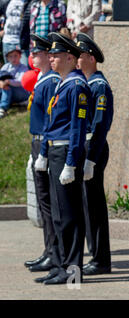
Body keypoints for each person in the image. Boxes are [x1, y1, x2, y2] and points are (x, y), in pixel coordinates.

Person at [33, 32, 91, 285]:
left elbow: (77, 128)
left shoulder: (77, 86)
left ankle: (72, 271)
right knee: (58, 215)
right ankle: (59, 265)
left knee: (69, 216)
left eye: (56, 55)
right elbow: (50, 123)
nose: (51, 58)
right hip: (55, 152)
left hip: (67, 153)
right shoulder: (61, 83)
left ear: (70, 57)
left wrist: (70, 162)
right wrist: (44, 153)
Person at [76, 32, 114, 276]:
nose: (76, 60)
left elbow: (100, 125)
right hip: (87, 146)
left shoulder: (99, 86)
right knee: (88, 205)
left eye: (79, 55)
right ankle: (96, 255)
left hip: (94, 147)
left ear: (90, 57)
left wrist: (90, 159)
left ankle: (101, 259)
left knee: (94, 207)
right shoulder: (88, 84)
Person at [24, 33, 60, 273]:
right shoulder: (42, 79)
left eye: (37, 52)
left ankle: (54, 251)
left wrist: (43, 151)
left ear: (48, 56)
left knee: (49, 202)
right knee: (43, 202)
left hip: (45, 144)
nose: (33, 56)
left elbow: (50, 120)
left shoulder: (50, 82)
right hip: (37, 142)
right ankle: (48, 250)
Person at [0, 46, 29, 119]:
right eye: (10, 56)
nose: (13, 58)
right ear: (7, 58)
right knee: (4, 87)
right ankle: (8, 102)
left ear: (20, 56)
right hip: (7, 89)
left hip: (21, 92)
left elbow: (20, 82)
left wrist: (8, 82)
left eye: (16, 56)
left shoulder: (24, 68)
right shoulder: (5, 66)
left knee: (7, 87)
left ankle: (3, 108)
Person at [0, 0, 29, 65]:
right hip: (7, 42)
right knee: (8, 71)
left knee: (24, 71)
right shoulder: (5, 2)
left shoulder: (30, 2)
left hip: (22, 44)